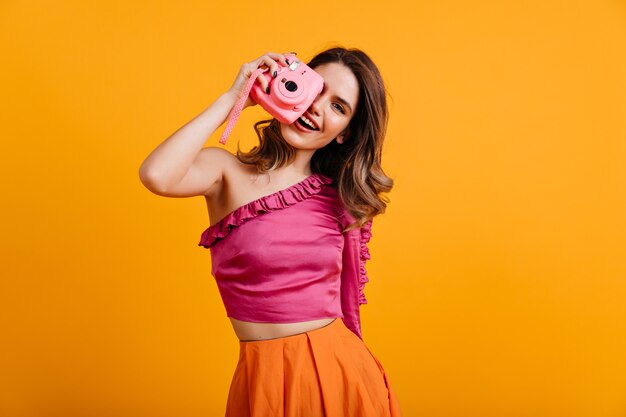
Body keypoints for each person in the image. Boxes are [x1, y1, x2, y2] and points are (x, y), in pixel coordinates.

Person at [139, 47, 401, 416]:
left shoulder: (336, 199)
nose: (317, 108)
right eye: (316, 90)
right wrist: (235, 98)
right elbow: (157, 175)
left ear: (345, 134)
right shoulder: (225, 172)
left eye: (339, 107)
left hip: (336, 376)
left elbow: (347, 306)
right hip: (259, 378)